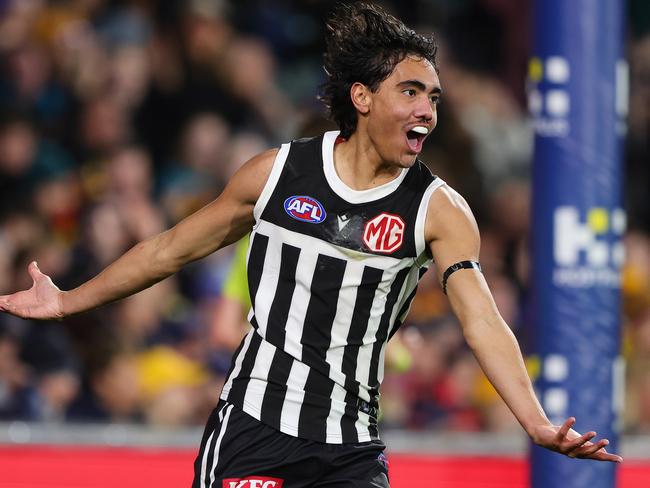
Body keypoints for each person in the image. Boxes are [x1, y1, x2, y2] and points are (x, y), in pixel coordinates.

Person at [0, 3, 622, 487]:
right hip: (253, 427)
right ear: (362, 97)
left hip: (349, 449)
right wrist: (67, 301)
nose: (428, 110)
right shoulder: (275, 174)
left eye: (433, 96)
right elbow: (168, 250)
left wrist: (535, 422)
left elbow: (483, 321)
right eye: (411, 91)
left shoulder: (440, 209)